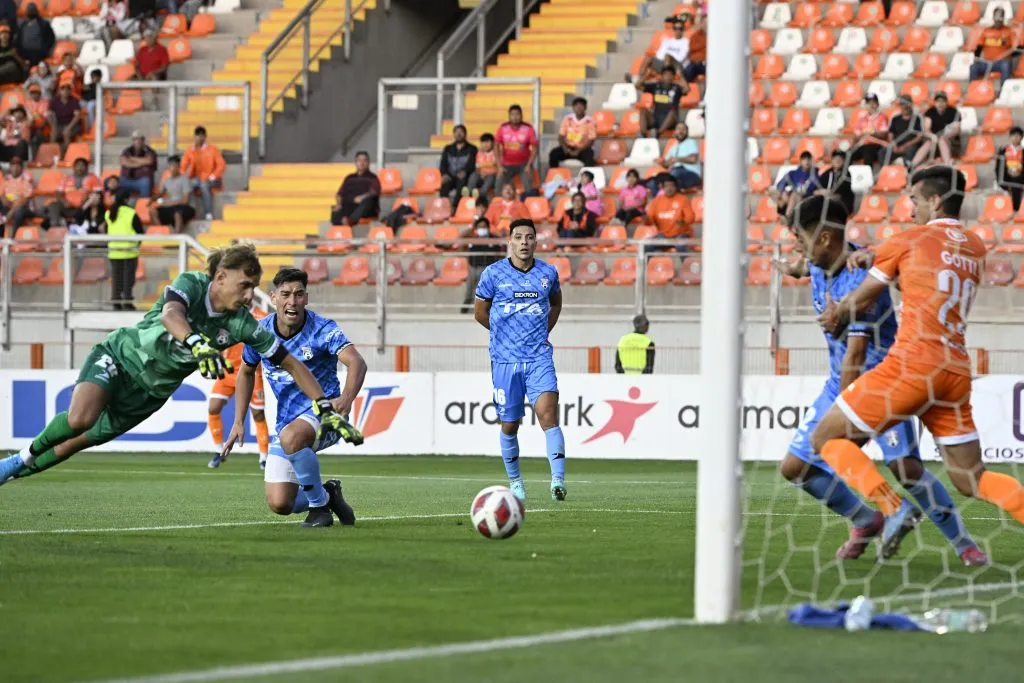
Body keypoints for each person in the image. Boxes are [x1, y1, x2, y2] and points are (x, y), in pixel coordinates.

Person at [0, 243, 358, 495]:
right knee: (79, 418)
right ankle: (18, 460)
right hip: (120, 357)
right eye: (244, 285)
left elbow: (293, 364)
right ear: (220, 277)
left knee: (74, 443)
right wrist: (197, 343)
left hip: (148, 394)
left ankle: (12, 474)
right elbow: (172, 315)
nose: (250, 295)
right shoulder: (191, 283)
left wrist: (326, 404)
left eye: (253, 287)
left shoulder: (242, 324)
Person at [814, 166, 1024, 546]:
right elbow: (925, 273)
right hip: (955, 370)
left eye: (914, 198)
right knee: (971, 478)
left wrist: (836, 314)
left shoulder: (906, 240)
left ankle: (893, 509)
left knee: (826, 438)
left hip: (912, 364)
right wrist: (878, 257)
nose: (909, 206)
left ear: (934, 200)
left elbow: (862, 300)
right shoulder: (975, 247)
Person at [775, 194, 985, 565]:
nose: (799, 248)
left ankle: (964, 544)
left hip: (882, 379)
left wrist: (845, 416)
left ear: (824, 237)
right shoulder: (822, 261)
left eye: (802, 239)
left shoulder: (861, 283)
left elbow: (856, 355)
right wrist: (796, 267)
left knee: (905, 468)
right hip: (837, 378)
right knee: (796, 468)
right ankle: (866, 520)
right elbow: (812, 266)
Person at [222, 267, 366, 528]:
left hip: (327, 413)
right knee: (280, 503)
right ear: (273, 297)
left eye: (299, 294)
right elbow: (245, 372)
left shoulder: (323, 329)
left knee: (292, 437)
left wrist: (345, 400)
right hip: (287, 423)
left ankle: (319, 510)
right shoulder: (259, 332)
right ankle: (328, 494)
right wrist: (237, 421)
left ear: (306, 299)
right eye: (286, 294)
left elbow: (357, 362)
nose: (293, 301)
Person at [474, 217, 565, 502]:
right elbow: (479, 312)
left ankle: (557, 482)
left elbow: (557, 302)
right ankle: (515, 483)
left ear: (536, 241)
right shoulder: (493, 274)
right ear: (510, 241)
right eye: (518, 237)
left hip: (539, 357)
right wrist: (503, 333)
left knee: (548, 416)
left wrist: (542, 331)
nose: (524, 242)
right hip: (504, 360)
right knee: (510, 424)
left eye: (529, 237)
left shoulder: (548, 273)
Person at [205, 306, 270, 470]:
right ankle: (219, 451)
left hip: (251, 373)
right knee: (213, 407)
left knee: (258, 414)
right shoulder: (225, 316)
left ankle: (264, 458)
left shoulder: (261, 317)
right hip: (228, 371)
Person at [104, 189, 143, 310]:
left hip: (114, 252)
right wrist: (137, 244)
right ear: (126, 199)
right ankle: (127, 302)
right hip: (129, 251)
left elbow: (106, 230)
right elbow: (140, 231)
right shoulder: (131, 213)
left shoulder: (109, 213)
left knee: (116, 279)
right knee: (128, 279)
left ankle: (116, 301)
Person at [458, 216, 503, 313]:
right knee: (470, 285)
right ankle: (466, 304)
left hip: (488, 270)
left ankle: (486, 309)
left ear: (487, 228)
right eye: (479, 227)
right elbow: (460, 237)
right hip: (473, 267)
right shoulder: (473, 238)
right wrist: (472, 228)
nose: (482, 229)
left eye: (484, 227)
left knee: (486, 289)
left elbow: (501, 248)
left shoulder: (493, 239)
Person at [181, 125, 225, 220]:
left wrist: (212, 176)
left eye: (201, 136)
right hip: (198, 179)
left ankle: (208, 213)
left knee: (204, 185)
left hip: (213, 179)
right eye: (197, 136)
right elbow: (183, 165)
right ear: (194, 137)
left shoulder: (213, 149)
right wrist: (183, 175)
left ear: (205, 137)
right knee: (188, 185)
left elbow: (221, 165)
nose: (199, 138)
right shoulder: (190, 150)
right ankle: (189, 213)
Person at [495, 104, 538, 196]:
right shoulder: (503, 128)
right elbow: (496, 146)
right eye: (512, 115)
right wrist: (499, 165)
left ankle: (527, 204)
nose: (515, 117)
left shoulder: (528, 129)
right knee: (498, 185)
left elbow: (535, 148)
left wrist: (529, 165)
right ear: (509, 116)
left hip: (524, 164)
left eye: (517, 114)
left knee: (529, 187)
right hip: (506, 164)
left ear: (521, 115)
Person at [48, 157, 102, 228]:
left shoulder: (93, 178)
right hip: (68, 206)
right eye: (78, 165)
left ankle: (88, 225)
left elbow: (98, 193)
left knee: (95, 201)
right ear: (74, 167)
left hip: (84, 207)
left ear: (86, 167)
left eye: (82, 165)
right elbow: (58, 193)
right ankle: (55, 225)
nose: (80, 168)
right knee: (53, 205)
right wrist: (64, 202)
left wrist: (88, 197)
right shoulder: (66, 178)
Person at [330, 151, 380, 226]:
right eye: (359, 160)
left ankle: (351, 220)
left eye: (365, 160)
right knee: (336, 209)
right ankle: (340, 227)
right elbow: (339, 194)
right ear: (355, 162)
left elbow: (374, 191)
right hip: (350, 205)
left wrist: (362, 197)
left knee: (369, 201)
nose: (362, 163)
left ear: (368, 163)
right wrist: (339, 203)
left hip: (364, 207)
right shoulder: (349, 178)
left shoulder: (373, 178)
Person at [637, 66, 686, 139]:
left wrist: (681, 76)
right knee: (643, 110)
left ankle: (658, 133)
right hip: (656, 119)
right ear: (662, 76)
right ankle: (643, 134)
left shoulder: (676, 88)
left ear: (673, 76)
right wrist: (647, 75)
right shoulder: (656, 86)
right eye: (666, 74)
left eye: (670, 75)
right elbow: (637, 85)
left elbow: (687, 89)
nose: (668, 77)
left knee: (673, 111)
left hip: (670, 121)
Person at [548, 97, 596, 169]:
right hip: (568, 148)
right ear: (573, 108)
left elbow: (591, 140)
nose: (579, 108)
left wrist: (579, 150)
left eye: (581, 106)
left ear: (585, 107)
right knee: (554, 154)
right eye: (576, 106)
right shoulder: (567, 119)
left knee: (590, 157)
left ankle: (586, 178)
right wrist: (565, 149)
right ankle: (555, 176)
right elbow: (561, 136)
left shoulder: (590, 121)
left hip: (582, 149)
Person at [970, 7, 1014, 86]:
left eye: (1000, 16)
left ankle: (1002, 93)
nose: (998, 19)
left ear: (1003, 18)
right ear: (993, 17)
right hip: (987, 62)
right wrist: (976, 56)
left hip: (1001, 63)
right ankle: (972, 91)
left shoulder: (1009, 31)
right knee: (973, 67)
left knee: (1006, 66)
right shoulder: (986, 31)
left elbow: (1015, 49)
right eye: (996, 16)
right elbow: (979, 46)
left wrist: (1008, 57)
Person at [772, 151, 819, 220]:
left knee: (795, 195)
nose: (806, 162)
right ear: (800, 161)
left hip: (807, 197)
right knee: (777, 193)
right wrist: (783, 192)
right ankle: (786, 212)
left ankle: (788, 216)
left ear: (811, 161)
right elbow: (781, 184)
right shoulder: (793, 173)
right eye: (804, 159)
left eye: (808, 159)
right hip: (792, 197)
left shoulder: (815, 174)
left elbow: (814, 188)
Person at [154, 154, 196, 232]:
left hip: (184, 207)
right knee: (153, 211)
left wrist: (168, 203)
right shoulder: (166, 181)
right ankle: (163, 233)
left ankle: (177, 238)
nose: (172, 169)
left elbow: (185, 201)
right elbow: (159, 194)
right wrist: (158, 199)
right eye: (170, 166)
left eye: (174, 166)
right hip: (171, 207)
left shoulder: (184, 180)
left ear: (179, 167)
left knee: (177, 214)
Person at [917, 92, 960, 166]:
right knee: (928, 143)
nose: (940, 104)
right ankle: (913, 165)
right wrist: (932, 136)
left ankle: (947, 163)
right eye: (938, 101)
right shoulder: (930, 111)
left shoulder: (953, 111)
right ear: (935, 102)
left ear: (946, 102)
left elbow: (957, 128)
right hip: (933, 141)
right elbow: (926, 128)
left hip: (949, 141)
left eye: (942, 101)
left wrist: (944, 135)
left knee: (942, 139)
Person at [848, 93, 889, 169]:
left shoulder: (882, 117)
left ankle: (868, 178)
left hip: (877, 145)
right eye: (869, 103)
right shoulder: (862, 118)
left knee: (868, 151)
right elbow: (856, 137)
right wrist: (864, 133)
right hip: (863, 144)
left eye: (873, 103)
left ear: (877, 104)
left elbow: (884, 135)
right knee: (847, 154)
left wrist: (872, 132)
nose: (871, 105)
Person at [438, 124, 476, 205]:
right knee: (444, 185)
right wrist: (444, 174)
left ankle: (456, 207)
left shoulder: (472, 148)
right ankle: (444, 207)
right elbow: (443, 164)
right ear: (454, 134)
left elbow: (472, 164)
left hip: (464, 177)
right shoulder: (448, 148)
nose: (459, 134)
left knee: (461, 184)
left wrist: (465, 172)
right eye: (456, 132)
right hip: (450, 176)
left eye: (461, 132)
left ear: (465, 134)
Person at [885, 95, 924, 170]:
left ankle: (906, 173)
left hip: (911, 145)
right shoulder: (895, 118)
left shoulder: (917, 118)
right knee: (883, 152)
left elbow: (920, 136)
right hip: (897, 145)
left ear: (911, 105)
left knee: (911, 151)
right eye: (902, 104)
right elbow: (890, 133)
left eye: (907, 104)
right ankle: (887, 172)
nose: (905, 107)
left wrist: (906, 145)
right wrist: (893, 144)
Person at [659, 121, 701, 190]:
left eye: (683, 129)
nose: (681, 131)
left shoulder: (691, 142)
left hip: (692, 174)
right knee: (658, 179)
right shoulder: (673, 147)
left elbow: (693, 159)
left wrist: (678, 159)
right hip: (676, 173)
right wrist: (662, 162)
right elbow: (667, 164)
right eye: (679, 129)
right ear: (675, 131)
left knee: (675, 174)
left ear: (687, 132)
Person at [0, 156, 35, 236]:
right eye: (13, 165)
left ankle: (14, 238)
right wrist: (6, 201)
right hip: (8, 206)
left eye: (18, 165)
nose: (15, 168)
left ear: (22, 168)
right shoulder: (6, 179)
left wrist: (11, 211)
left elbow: (24, 200)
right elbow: (1, 195)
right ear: (10, 167)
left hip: (22, 208)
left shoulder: (26, 180)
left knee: (18, 211)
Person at [47, 80, 85, 153]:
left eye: (68, 89)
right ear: (59, 91)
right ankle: (52, 154)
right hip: (60, 124)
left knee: (66, 133)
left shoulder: (74, 100)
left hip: (73, 125)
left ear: (70, 91)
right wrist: (53, 126)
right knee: (53, 133)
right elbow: (49, 115)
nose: (65, 91)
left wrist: (68, 127)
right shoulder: (54, 100)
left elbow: (77, 116)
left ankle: (67, 154)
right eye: (63, 89)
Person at [813, 150, 854, 216]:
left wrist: (828, 193)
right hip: (826, 200)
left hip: (842, 204)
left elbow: (840, 194)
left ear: (844, 162)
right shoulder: (827, 173)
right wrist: (821, 191)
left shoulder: (847, 174)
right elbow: (815, 190)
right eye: (835, 159)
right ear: (832, 160)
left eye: (840, 159)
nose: (837, 161)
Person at [118, 129, 157, 197]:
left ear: (143, 140)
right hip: (127, 179)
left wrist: (132, 159)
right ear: (133, 140)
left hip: (142, 181)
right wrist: (141, 163)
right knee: (115, 181)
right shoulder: (128, 150)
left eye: (140, 139)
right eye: (135, 139)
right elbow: (123, 162)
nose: (138, 141)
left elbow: (149, 161)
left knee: (145, 182)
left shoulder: (149, 151)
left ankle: (143, 205)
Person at [15, 3, 55, 67]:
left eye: (33, 10)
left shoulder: (44, 24)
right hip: (24, 56)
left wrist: (45, 49)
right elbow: (17, 40)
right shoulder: (22, 25)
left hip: (40, 56)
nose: (31, 11)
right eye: (30, 10)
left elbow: (51, 38)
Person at [996, 126, 1024, 211]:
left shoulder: (1023, 151)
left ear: (1022, 137)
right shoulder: (1003, 150)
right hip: (1007, 177)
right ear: (1010, 137)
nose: (1016, 138)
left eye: (1018, 136)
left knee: (1017, 182)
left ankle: (1017, 209)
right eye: (1013, 135)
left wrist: (1019, 173)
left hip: (1021, 177)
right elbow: (999, 167)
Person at [468, 132, 497, 198]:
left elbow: (498, 168)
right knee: (474, 175)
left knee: (491, 177)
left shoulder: (496, 153)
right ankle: (469, 191)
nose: (486, 144)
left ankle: (481, 193)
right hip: (481, 175)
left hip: (492, 176)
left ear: (493, 143)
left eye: (488, 142)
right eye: (483, 142)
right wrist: (480, 174)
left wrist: (487, 174)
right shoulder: (479, 154)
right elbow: (477, 167)